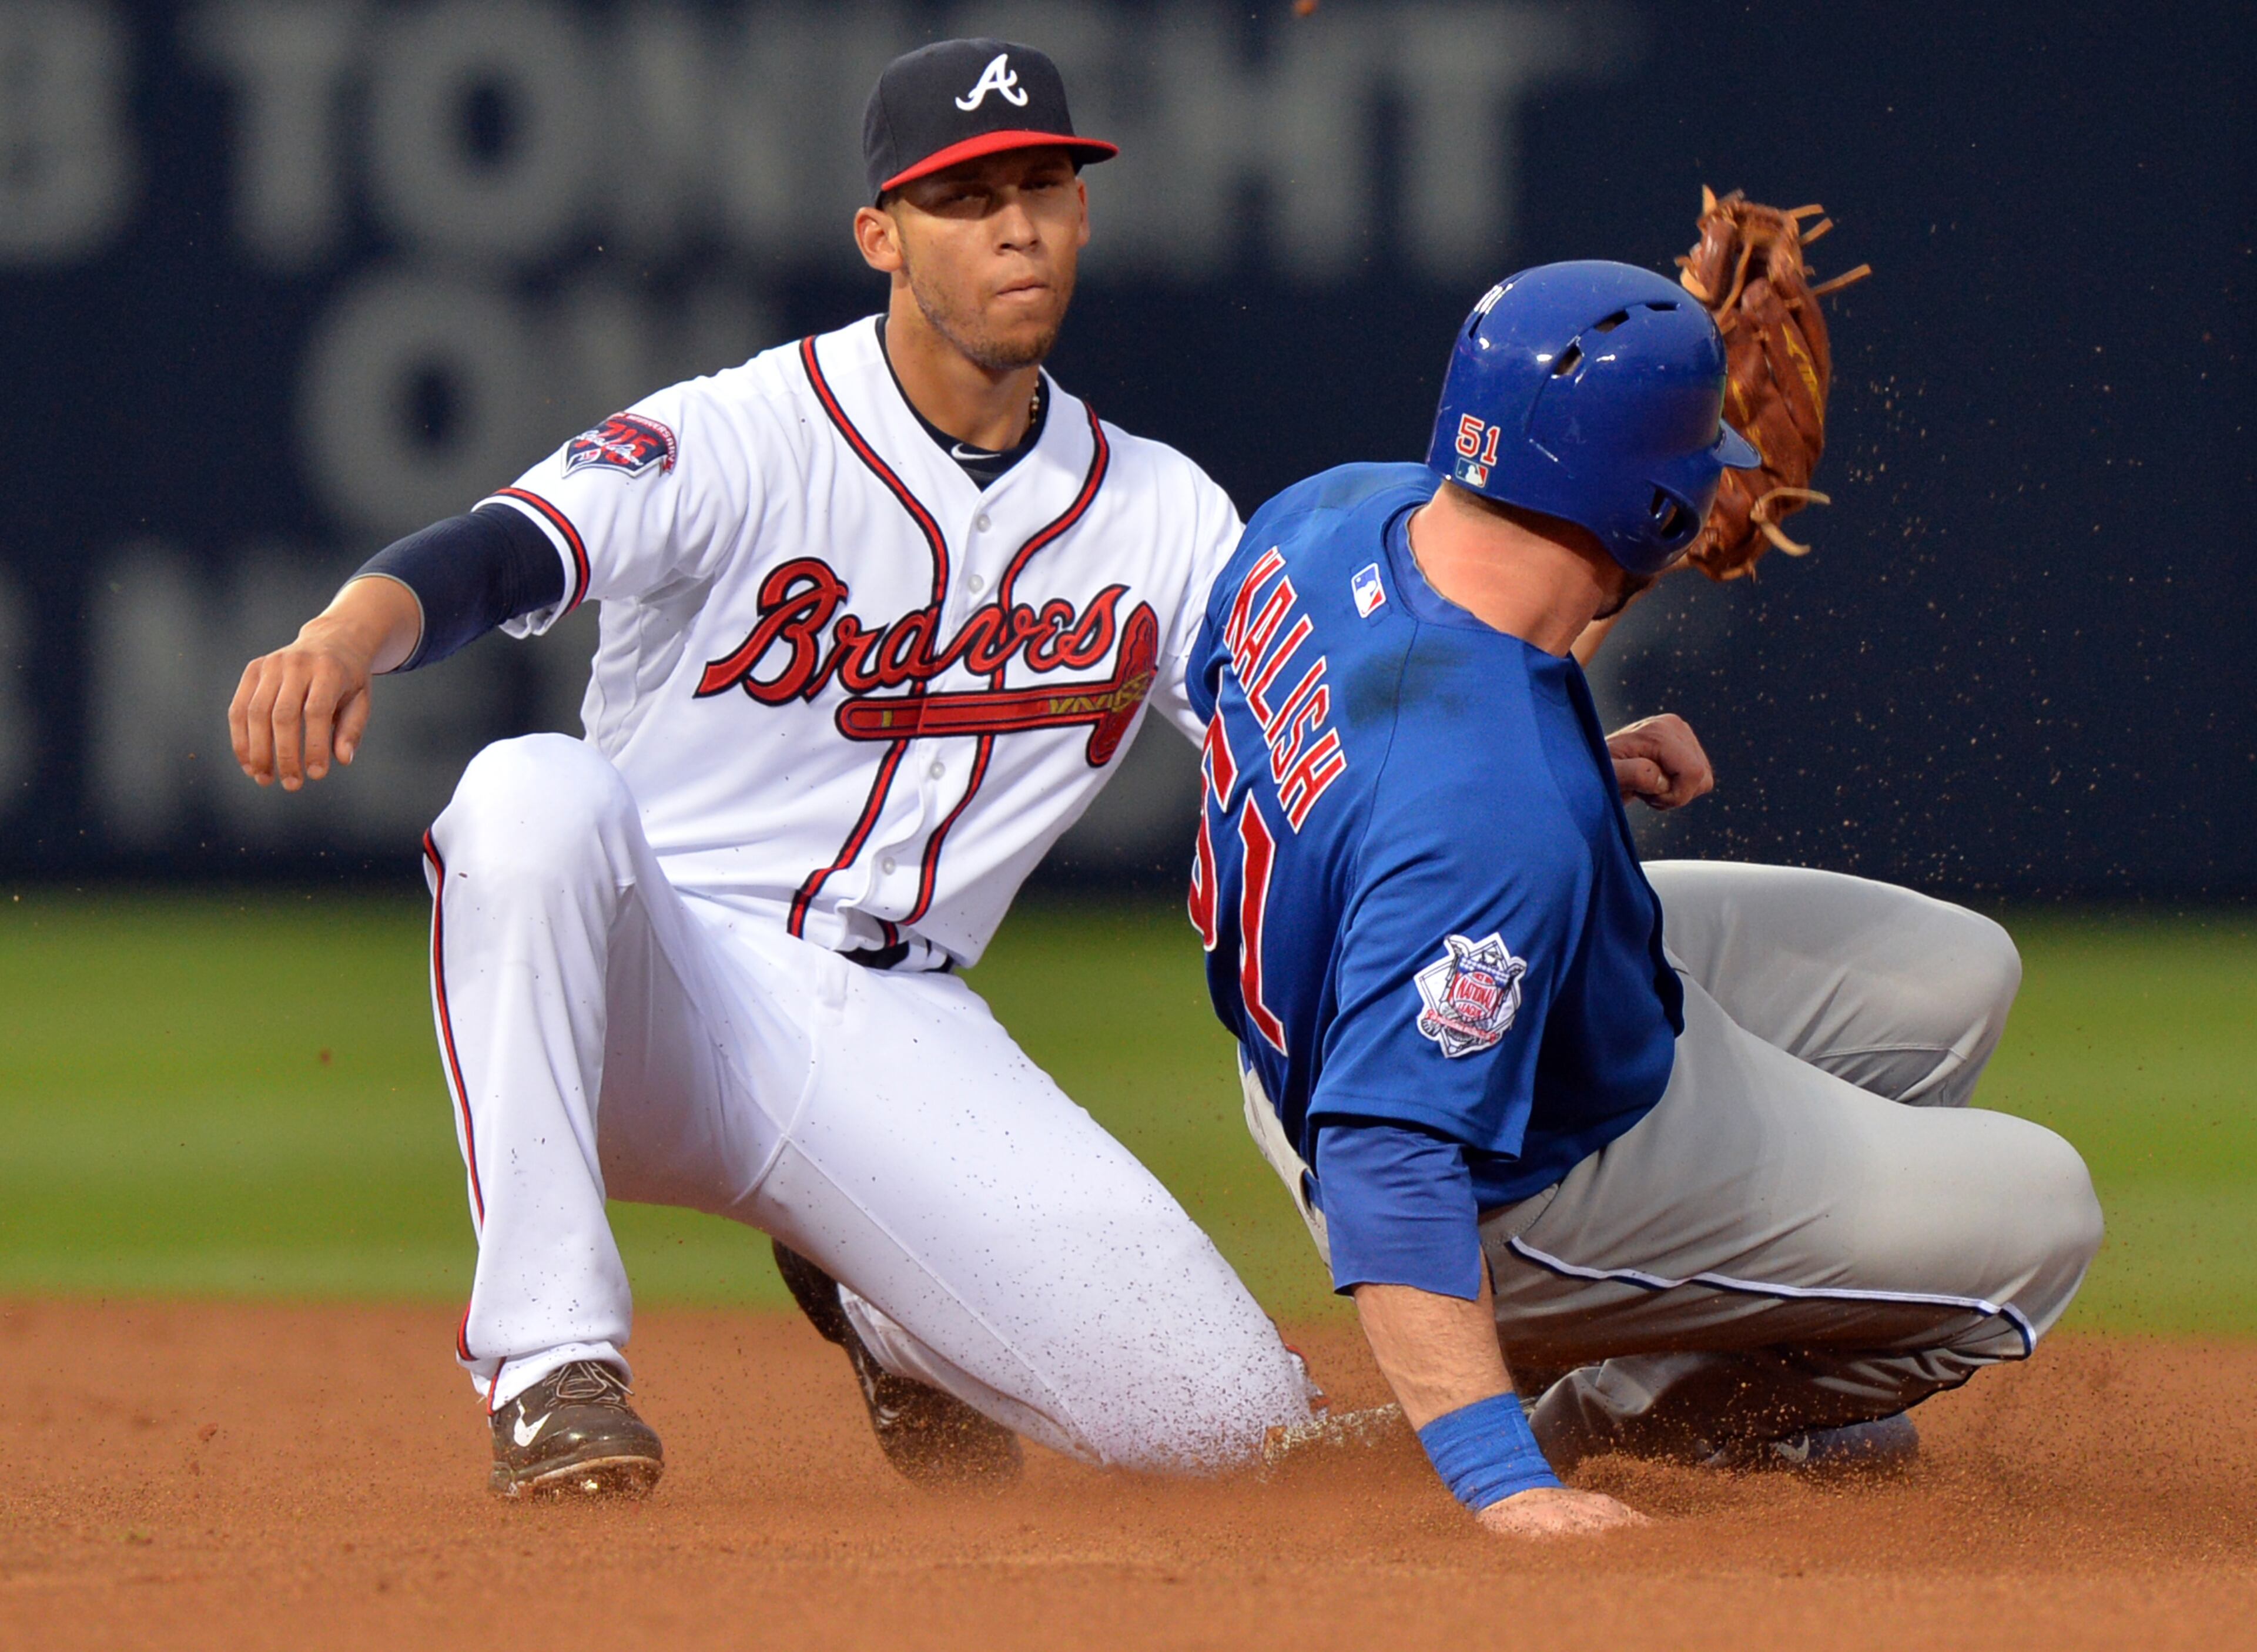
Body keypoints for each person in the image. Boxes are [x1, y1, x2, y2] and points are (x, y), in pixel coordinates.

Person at [226, 38, 1320, 1497]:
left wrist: (1524, 735)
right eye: (964, 196)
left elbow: (1304, 731)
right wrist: (346, 632)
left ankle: (887, 1302)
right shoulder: (747, 431)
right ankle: (553, 1365)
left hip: (902, 1025)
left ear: (1081, 213)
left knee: (1229, 1429)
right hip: (654, 987)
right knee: (530, 793)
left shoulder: (1164, 510)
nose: (1014, 224)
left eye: (1044, 185)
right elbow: (512, 547)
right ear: (882, 236)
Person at [1187, 260, 2104, 1537]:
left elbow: (1304, 723)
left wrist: (1554, 761)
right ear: (1655, 502)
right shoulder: (1483, 807)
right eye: (1695, 463)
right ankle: (1604, 1418)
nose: (1721, 479)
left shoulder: (1331, 513)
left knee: (1958, 976)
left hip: (1362, 1010)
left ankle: (1698, 1317)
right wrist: (1505, 1493)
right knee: (2044, 1214)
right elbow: (1390, 1157)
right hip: (1486, 1165)